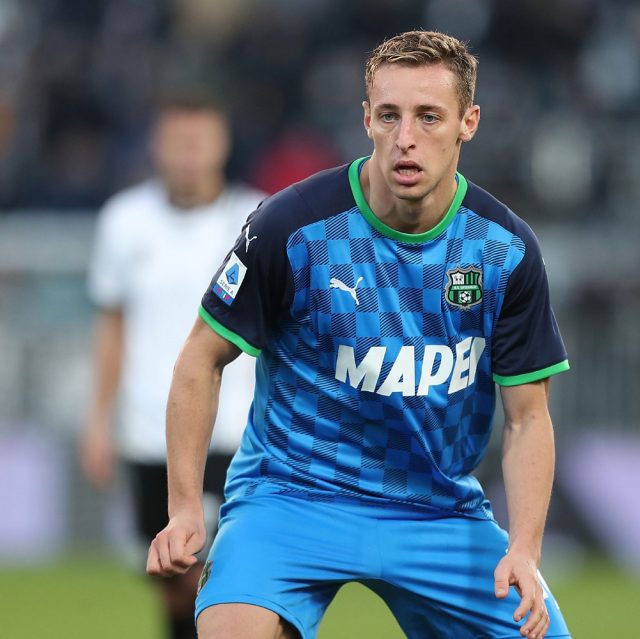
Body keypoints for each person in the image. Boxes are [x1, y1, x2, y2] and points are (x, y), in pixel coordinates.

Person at [146, 30, 572, 639]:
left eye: (429, 117)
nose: (406, 137)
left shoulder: (505, 251)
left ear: (468, 123)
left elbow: (528, 418)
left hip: (436, 512)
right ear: (367, 118)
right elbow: (200, 358)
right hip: (293, 497)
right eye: (390, 115)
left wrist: (524, 549)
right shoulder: (292, 226)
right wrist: (186, 508)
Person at [83, 95, 263, 639]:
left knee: (219, 577)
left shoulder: (257, 218)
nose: (188, 156)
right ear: (157, 146)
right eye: (177, 143)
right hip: (148, 431)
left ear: (221, 146)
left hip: (234, 429)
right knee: (169, 575)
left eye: (198, 143)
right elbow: (113, 326)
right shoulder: (124, 220)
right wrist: (98, 420)